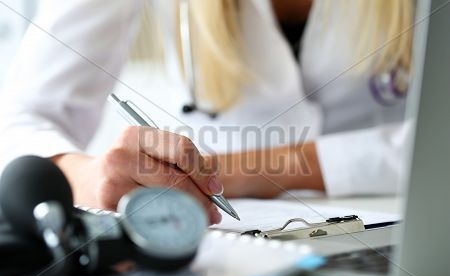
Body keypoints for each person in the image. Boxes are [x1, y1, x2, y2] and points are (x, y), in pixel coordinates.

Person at [0, 0, 414, 222]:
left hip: (402, 217)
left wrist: (253, 169)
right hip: (217, 231)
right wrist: (90, 176)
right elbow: (22, 120)